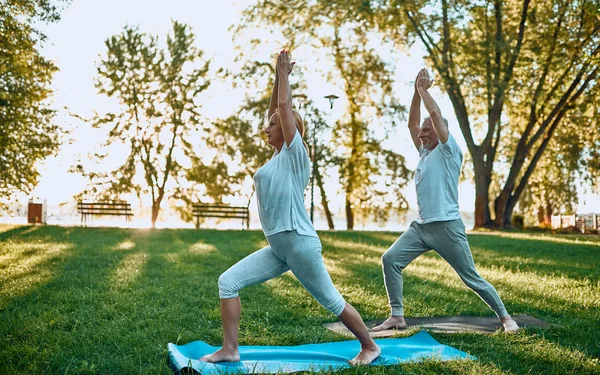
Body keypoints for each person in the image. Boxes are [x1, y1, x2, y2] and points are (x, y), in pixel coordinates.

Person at [201, 50, 381, 365]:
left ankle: (369, 346)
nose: (266, 128)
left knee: (331, 300)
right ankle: (230, 349)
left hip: (299, 243)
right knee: (227, 282)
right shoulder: (276, 159)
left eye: (273, 124)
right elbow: (277, 107)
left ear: (289, 129)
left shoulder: (295, 154)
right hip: (278, 247)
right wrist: (277, 75)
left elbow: (284, 108)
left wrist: (285, 74)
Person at [373, 69, 519, 333]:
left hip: (447, 227)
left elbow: (436, 116)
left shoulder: (449, 150)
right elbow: (411, 124)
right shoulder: (425, 152)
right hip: (421, 228)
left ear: (440, 132)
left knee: (471, 278)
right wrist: (415, 92)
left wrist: (424, 90)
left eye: (427, 131)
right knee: (390, 259)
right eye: (422, 132)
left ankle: (506, 318)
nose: (421, 134)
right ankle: (397, 316)